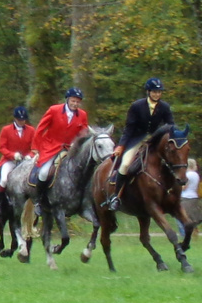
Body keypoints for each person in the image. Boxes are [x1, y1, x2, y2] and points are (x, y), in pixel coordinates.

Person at [104, 77, 175, 210]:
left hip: (155, 141)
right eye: (154, 92)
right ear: (148, 92)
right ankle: (116, 196)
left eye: (159, 92)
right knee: (125, 164)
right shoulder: (137, 106)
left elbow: (171, 124)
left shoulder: (164, 107)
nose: (157, 94)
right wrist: (121, 145)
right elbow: (129, 128)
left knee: (171, 160)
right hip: (137, 140)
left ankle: (172, 194)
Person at [30, 87, 88, 196]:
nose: (75, 104)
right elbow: (40, 129)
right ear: (67, 99)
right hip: (51, 146)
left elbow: (83, 133)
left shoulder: (83, 115)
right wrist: (36, 148)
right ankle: (38, 199)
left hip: (70, 148)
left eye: (78, 102)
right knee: (44, 172)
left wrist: (76, 142)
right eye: (73, 101)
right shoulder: (54, 110)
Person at [0, 106, 34, 192]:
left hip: (26, 162)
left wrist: (30, 155)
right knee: (4, 180)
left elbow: (34, 147)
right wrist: (13, 155)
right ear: (15, 119)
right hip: (10, 161)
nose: (22, 122)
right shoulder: (6, 130)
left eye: (23, 120)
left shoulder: (31, 130)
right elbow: (2, 148)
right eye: (19, 120)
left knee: (34, 179)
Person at [180, 157, 199, 232]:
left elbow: (184, 187)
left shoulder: (188, 175)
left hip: (185, 197)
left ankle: (184, 234)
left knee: (182, 217)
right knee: (191, 216)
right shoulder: (196, 175)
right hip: (194, 196)